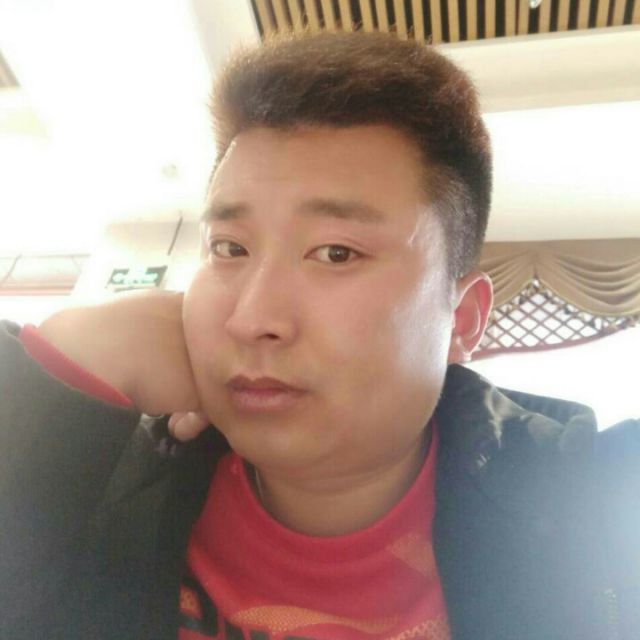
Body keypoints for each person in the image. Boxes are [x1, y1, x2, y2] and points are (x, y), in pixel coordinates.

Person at [0, 31, 638, 640]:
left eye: (336, 253)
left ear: (462, 319)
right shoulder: (98, 487)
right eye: (229, 247)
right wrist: (57, 375)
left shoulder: (599, 509)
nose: (252, 318)